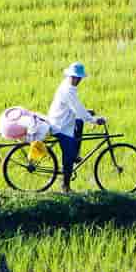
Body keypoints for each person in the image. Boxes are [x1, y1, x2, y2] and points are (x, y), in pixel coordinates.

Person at [49, 61, 106, 191]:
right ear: (70, 76)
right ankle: (66, 186)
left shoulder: (68, 85)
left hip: (64, 119)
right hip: (60, 126)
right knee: (68, 156)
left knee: (80, 122)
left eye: (78, 78)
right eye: (75, 77)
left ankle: (75, 154)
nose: (77, 80)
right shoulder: (68, 90)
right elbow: (78, 110)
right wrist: (95, 120)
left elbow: (77, 108)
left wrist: (86, 113)